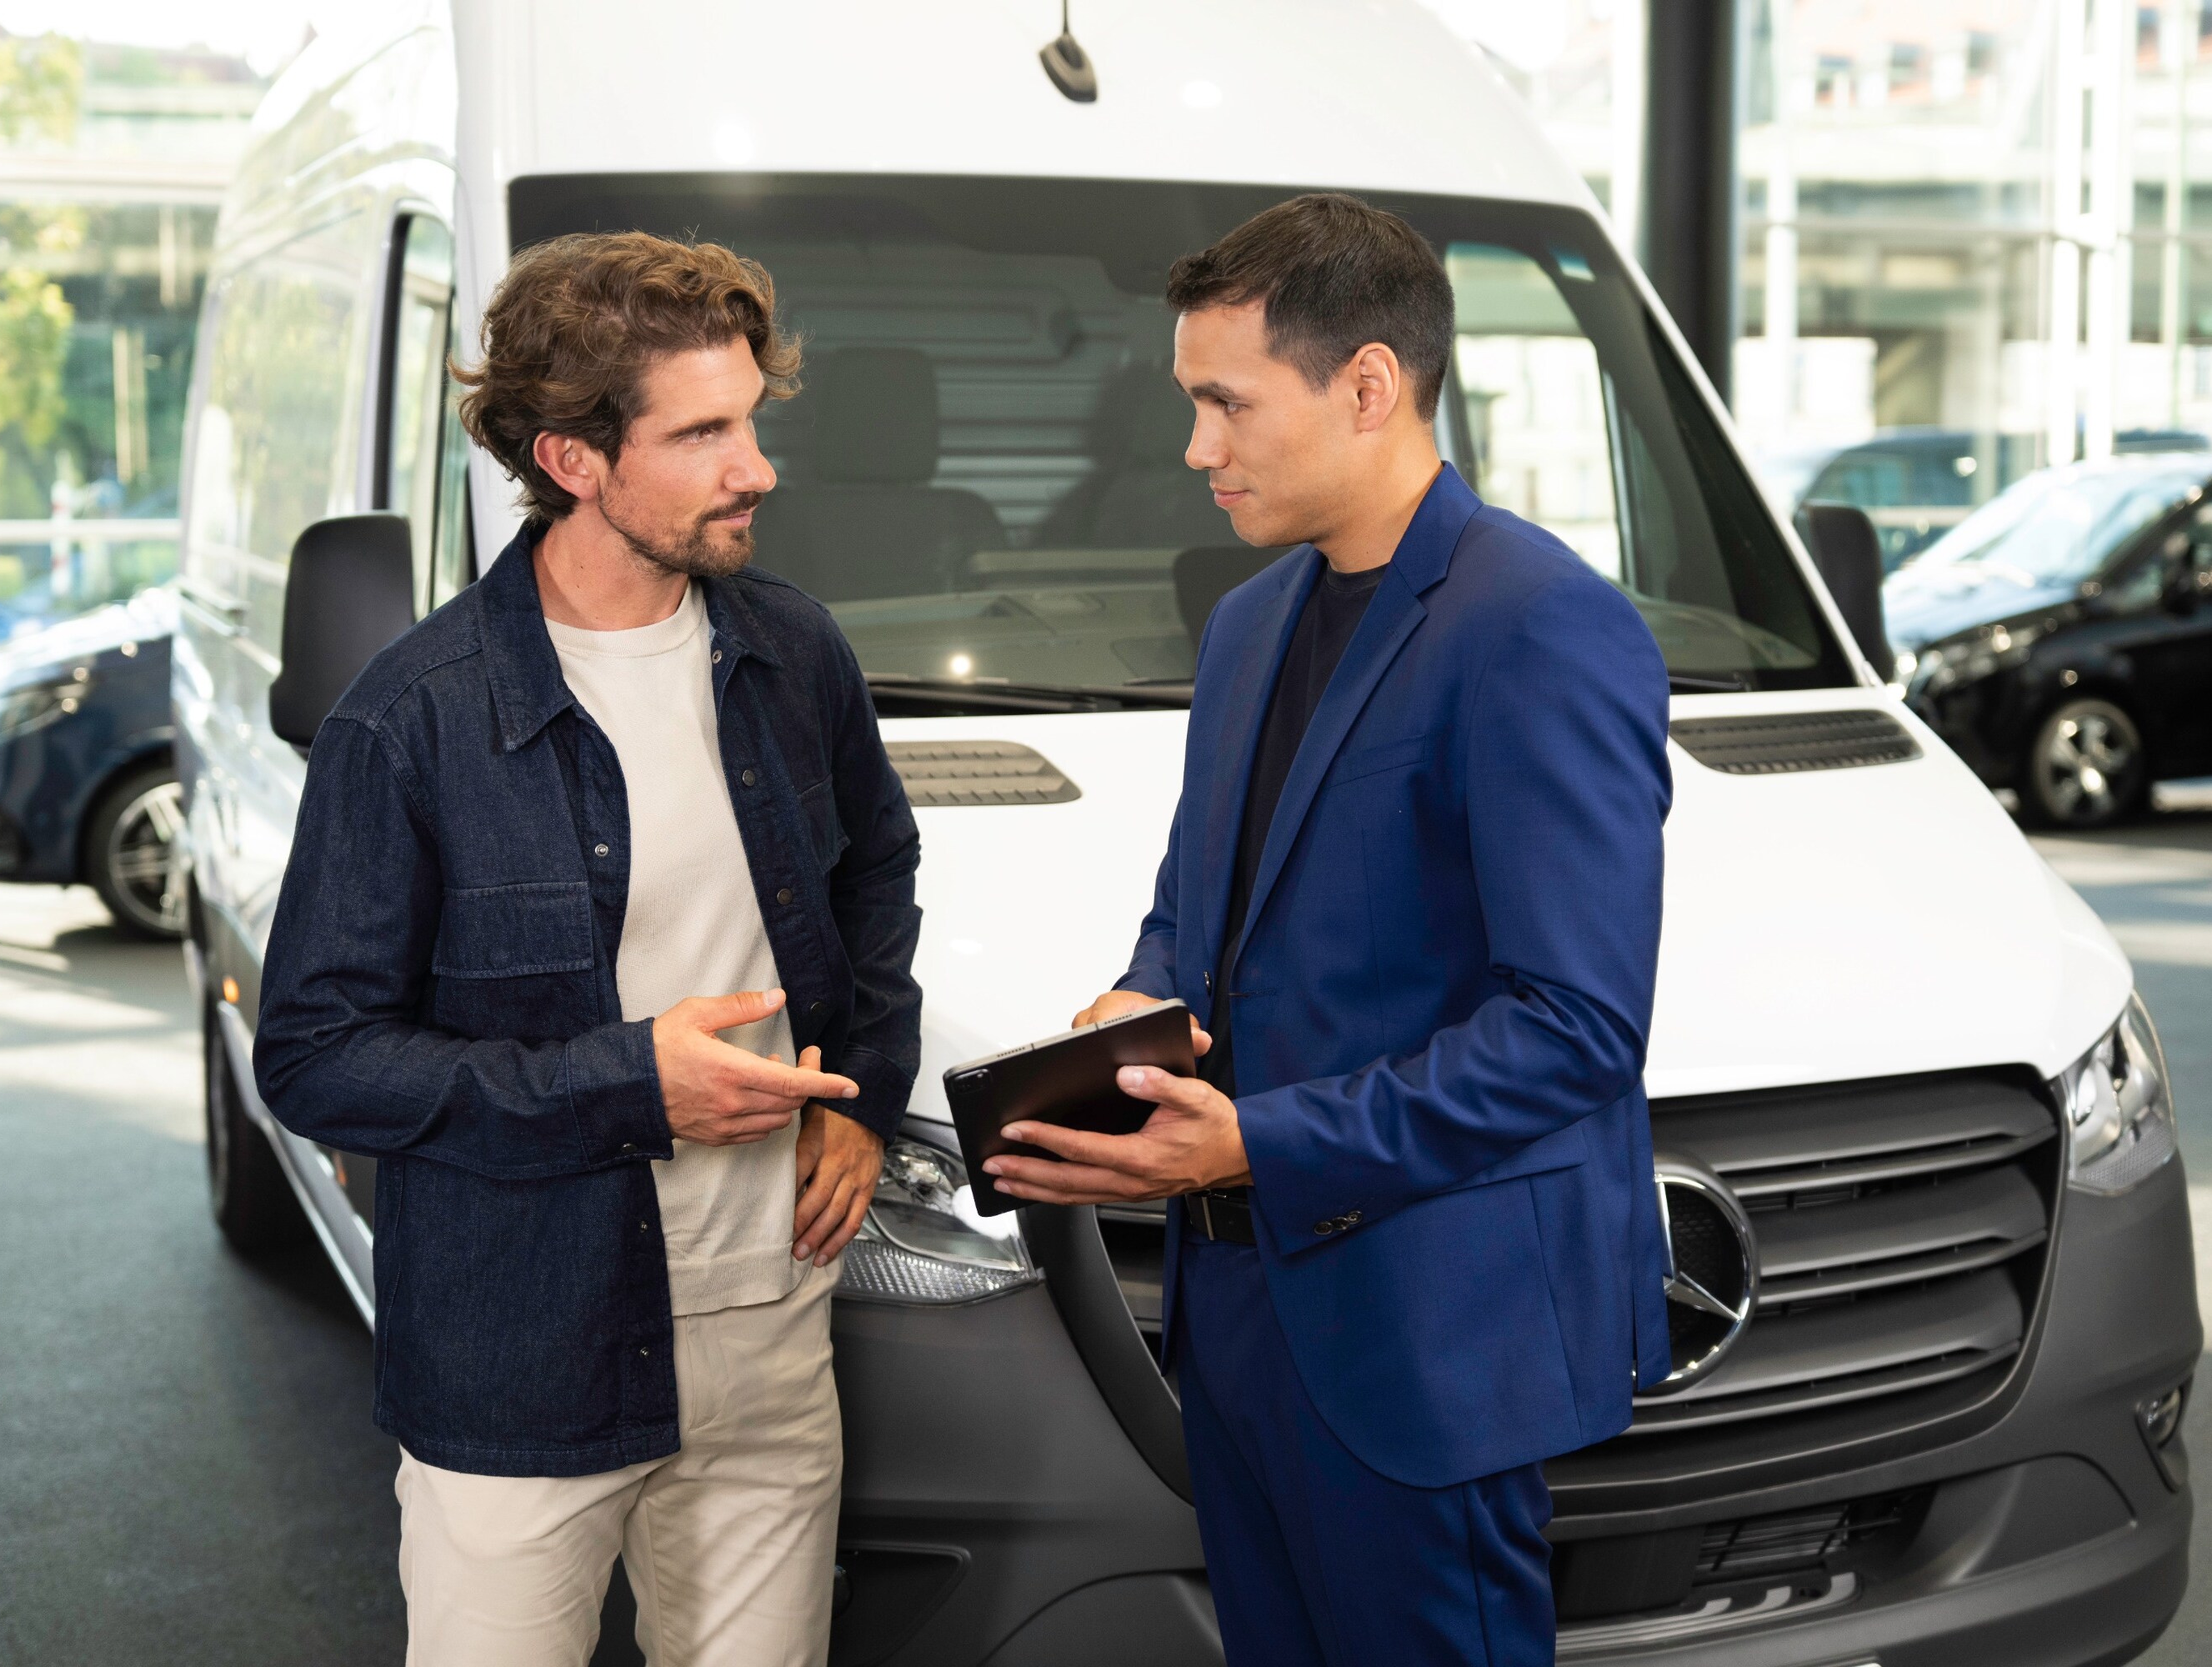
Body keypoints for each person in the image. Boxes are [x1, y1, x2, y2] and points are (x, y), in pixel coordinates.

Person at [983, 194, 1674, 1664]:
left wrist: (1256, 1144)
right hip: (1242, 1328)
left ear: (1368, 385)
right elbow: (1196, 920)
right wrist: (1127, 1012)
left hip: (1430, 1340)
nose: (1194, 449)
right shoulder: (1246, 626)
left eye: (1224, 403)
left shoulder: (1541, 624)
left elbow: (1576, 1032)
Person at [253, 232, 922, 1667]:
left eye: (751, 419)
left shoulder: (794, 656)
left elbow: (876, 875)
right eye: (704, 434)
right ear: (573, 459)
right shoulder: (411, 719)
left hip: (767, 1327)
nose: (757, 468)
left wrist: (863, 1091)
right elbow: (315, 1057)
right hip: (523, 1351)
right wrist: (630, 1088)